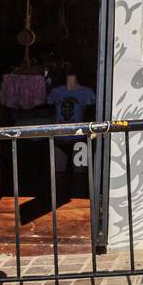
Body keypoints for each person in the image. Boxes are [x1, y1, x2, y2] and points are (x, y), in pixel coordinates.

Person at [48, 69, 96, 201]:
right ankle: (58, 203)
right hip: (59, 138)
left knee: (80, 175)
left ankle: (79, 204)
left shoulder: (88, 93)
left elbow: (93, 113)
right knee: (58, 174)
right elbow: (49, 109)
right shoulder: (56, 92)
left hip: (80, 138)